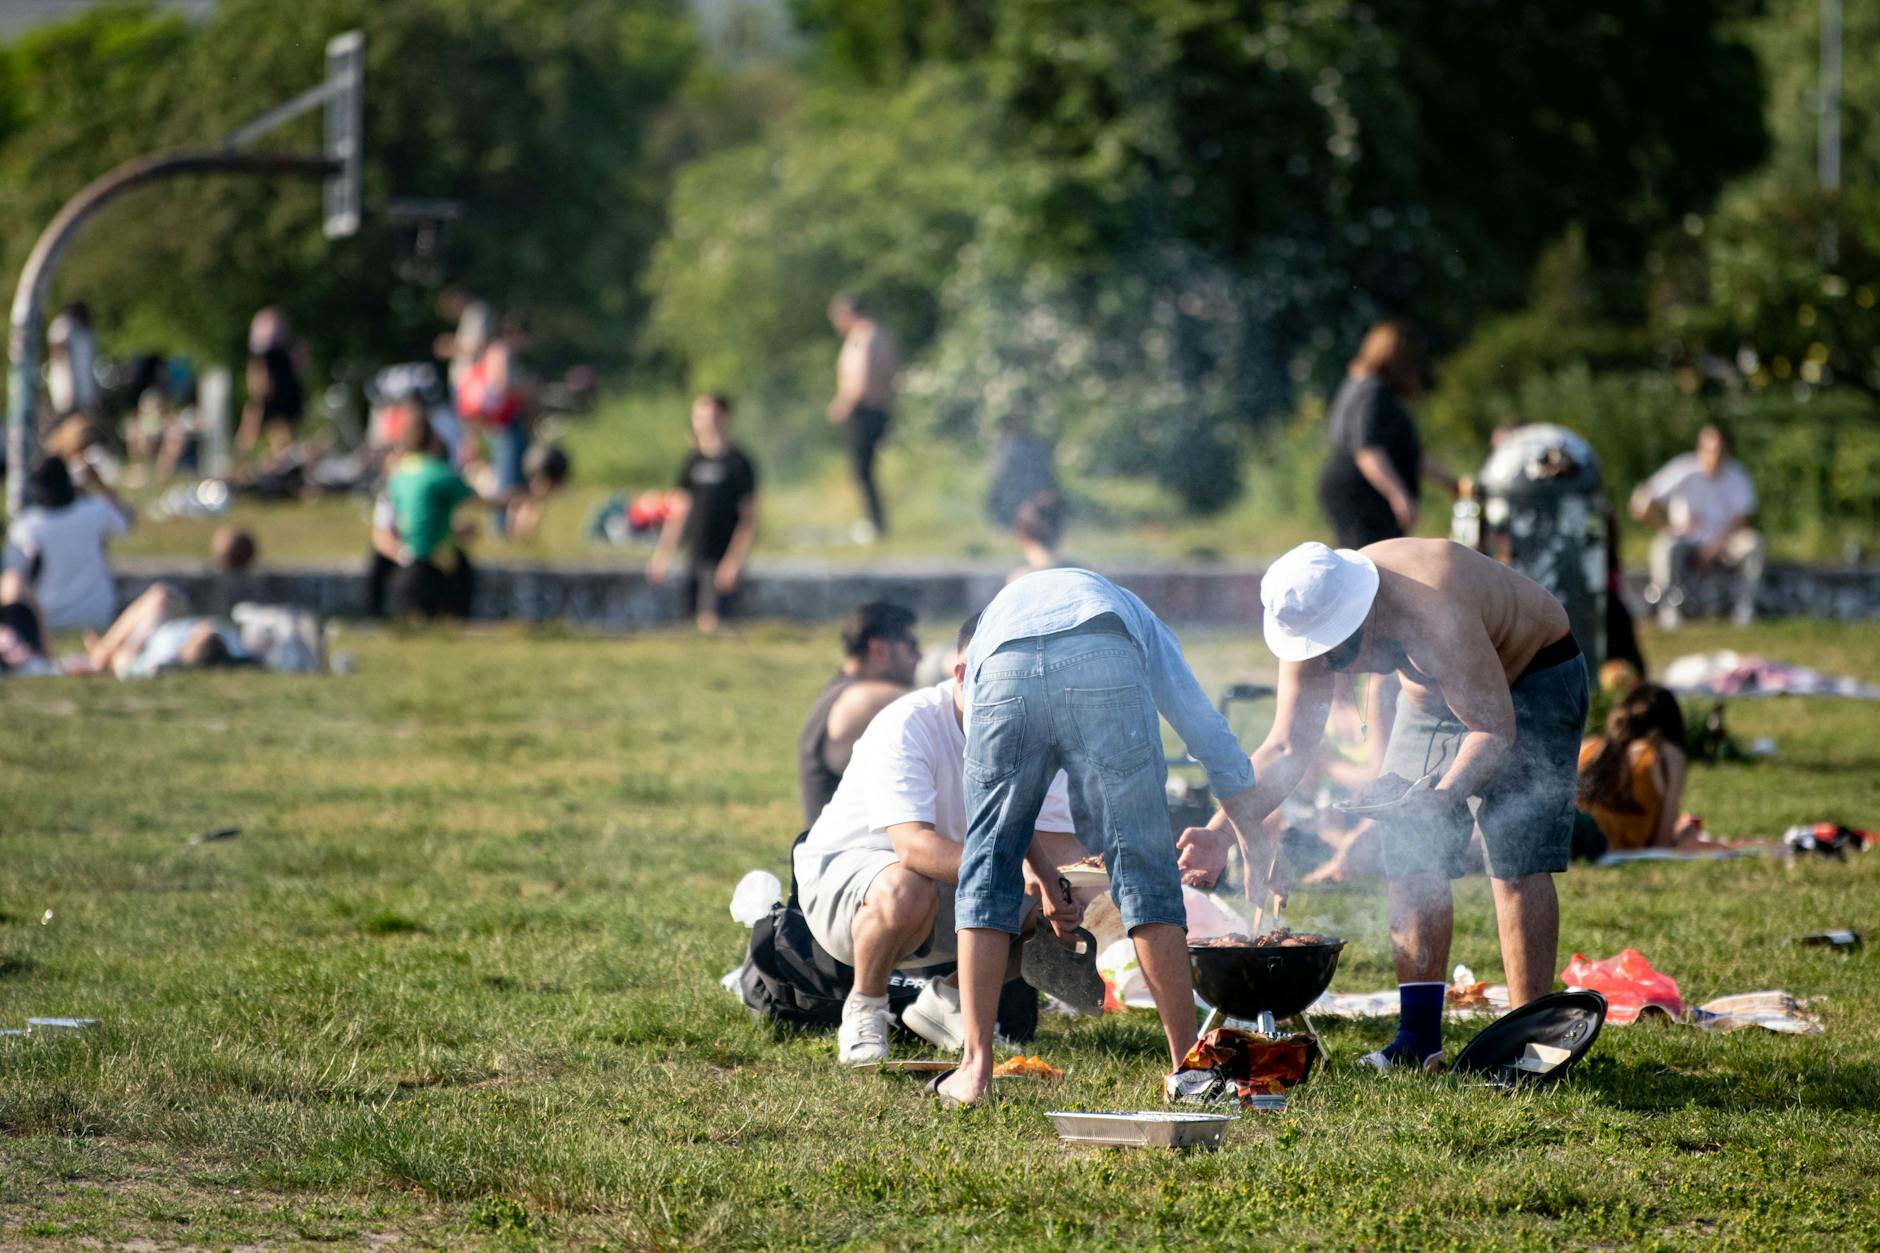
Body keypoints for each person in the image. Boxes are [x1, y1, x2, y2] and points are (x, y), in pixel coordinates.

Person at [1178, 539, 1588, 1074]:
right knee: (1410, 853)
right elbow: (1286, 746)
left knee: (1515, 859)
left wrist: (1440, 800)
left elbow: (1492, 729)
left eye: (1339, 652)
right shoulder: (1309, 615)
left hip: (1534, 673)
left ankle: (1529, 1043)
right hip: (1434, 696)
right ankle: (1419, 1041)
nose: (1330, 666)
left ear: (1364, 613)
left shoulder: (1432, 606)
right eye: (1316, 653)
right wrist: (1220, 832)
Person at [934, 569, 1276, 1108]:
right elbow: (1203, 726)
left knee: (986, 868)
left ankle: (974, 1069)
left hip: (1002, 667)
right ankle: (1187, 1069)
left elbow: (998, 822)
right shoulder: (1135, 616)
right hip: (1104, 655)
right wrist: (1250, 835)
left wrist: (1035, 869)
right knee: (1143, 866)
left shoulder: (991, 629)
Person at [794, 614, 1088, 1065]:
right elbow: (913, 847)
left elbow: (1055, 845)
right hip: (851, 884)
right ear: (963, 675)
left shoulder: (1033, 736)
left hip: (956, 883)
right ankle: (865, 1006)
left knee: (1071, 905)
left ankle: (947, 1004)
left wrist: (1107, 883)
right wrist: (1020, 871)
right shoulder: (906, 723)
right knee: (907, 886)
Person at [1316, 322, 1457, 549]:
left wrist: (1452, 484)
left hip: (1349, 488)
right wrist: (1397, 494)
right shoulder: (1374, 392)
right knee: (1371, 564)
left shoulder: (1359, 383)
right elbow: (1368, 452)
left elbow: (1409, 456)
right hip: (1363, 496)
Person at [798, 602, 922, 826]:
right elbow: (940, 700)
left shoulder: (841, 692)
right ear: (878, 649)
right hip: (845, 854)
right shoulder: (862, 699)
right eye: (912, 645)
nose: (919, 656)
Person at [1629, 423, 1763, 628]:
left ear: (1727, 450)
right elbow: (1640, 503)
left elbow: (1741, 522)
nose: (1714, 456)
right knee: (1666, 545)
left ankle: (1745, 607)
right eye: (1710, 450)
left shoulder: (1738, 476)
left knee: (1753, 543)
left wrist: (1714, 547)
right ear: (1700, 448)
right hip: (1686, 542)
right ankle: (1668, 608)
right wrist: (1666, 528)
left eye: (1719, 450)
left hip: (1724, 544)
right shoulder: (1682, 470)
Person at [647, 394, 758, 632]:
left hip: (722, 556)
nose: (705, 423)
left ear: (726, 419)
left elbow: (748, 519)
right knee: (688, 623)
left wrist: (734, 561)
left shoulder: (739, 463)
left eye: (711, 417)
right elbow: (678, 510)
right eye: (700, 417)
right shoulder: (692, 461)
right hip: (694, 552)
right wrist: (663, 554)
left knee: (713, 624)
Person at [2, 456, 131, 632]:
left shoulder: (27, 525)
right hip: (99, 612)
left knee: (11, 580)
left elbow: (13, 577)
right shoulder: (96, 510)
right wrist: (98, 482)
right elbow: (124, 522)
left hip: (47, 617)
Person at [1576, 683, 1695, 854]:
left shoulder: (1587, 748)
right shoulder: (1664, 754)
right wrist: (1684, 834)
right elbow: (1662, 842)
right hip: (1605, 846)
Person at [385, 410, 478, 620]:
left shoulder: (398, 475)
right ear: (433, 440)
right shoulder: (438, 472)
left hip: (403, 564)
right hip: (433, 566)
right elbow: (477, 499)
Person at [826, 294, 898, 542]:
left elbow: (860, 380)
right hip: (880, 408)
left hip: (863, 410)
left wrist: (842, 407)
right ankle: (876, 521)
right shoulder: (881, 334)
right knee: (868, 469)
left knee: (861, 470)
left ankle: (874, 523)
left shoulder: (861, 338)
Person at [457, 312, 532, 536]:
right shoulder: (502, 351)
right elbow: (501, 387)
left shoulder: (495, 350)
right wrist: (527, 390)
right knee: (507, 476)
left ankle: (507, 525)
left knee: (510, 474)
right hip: (503, 421)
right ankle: (499, 527)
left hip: (497, 421)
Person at [76, 581, 248, 678]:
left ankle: (102, 653)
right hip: (173, 621)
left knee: (158, 596)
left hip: (145, 640)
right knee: (160, 596)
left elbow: (126, 666)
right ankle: (103, 651)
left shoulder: (167, 655)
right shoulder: (231, 642)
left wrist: (118, 659)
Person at [237, 307, 307, 458]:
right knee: (274, 428)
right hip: (280, 392)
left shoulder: (268, 357)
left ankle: (246, 459)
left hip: (277, 392)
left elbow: (256, 368)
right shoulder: (281, 353)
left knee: (268, 427)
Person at [46, 302, 101, 419]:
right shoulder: (62, 327)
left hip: (85, 395)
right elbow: (59, 358)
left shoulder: (85, 330)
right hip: (66, 392)